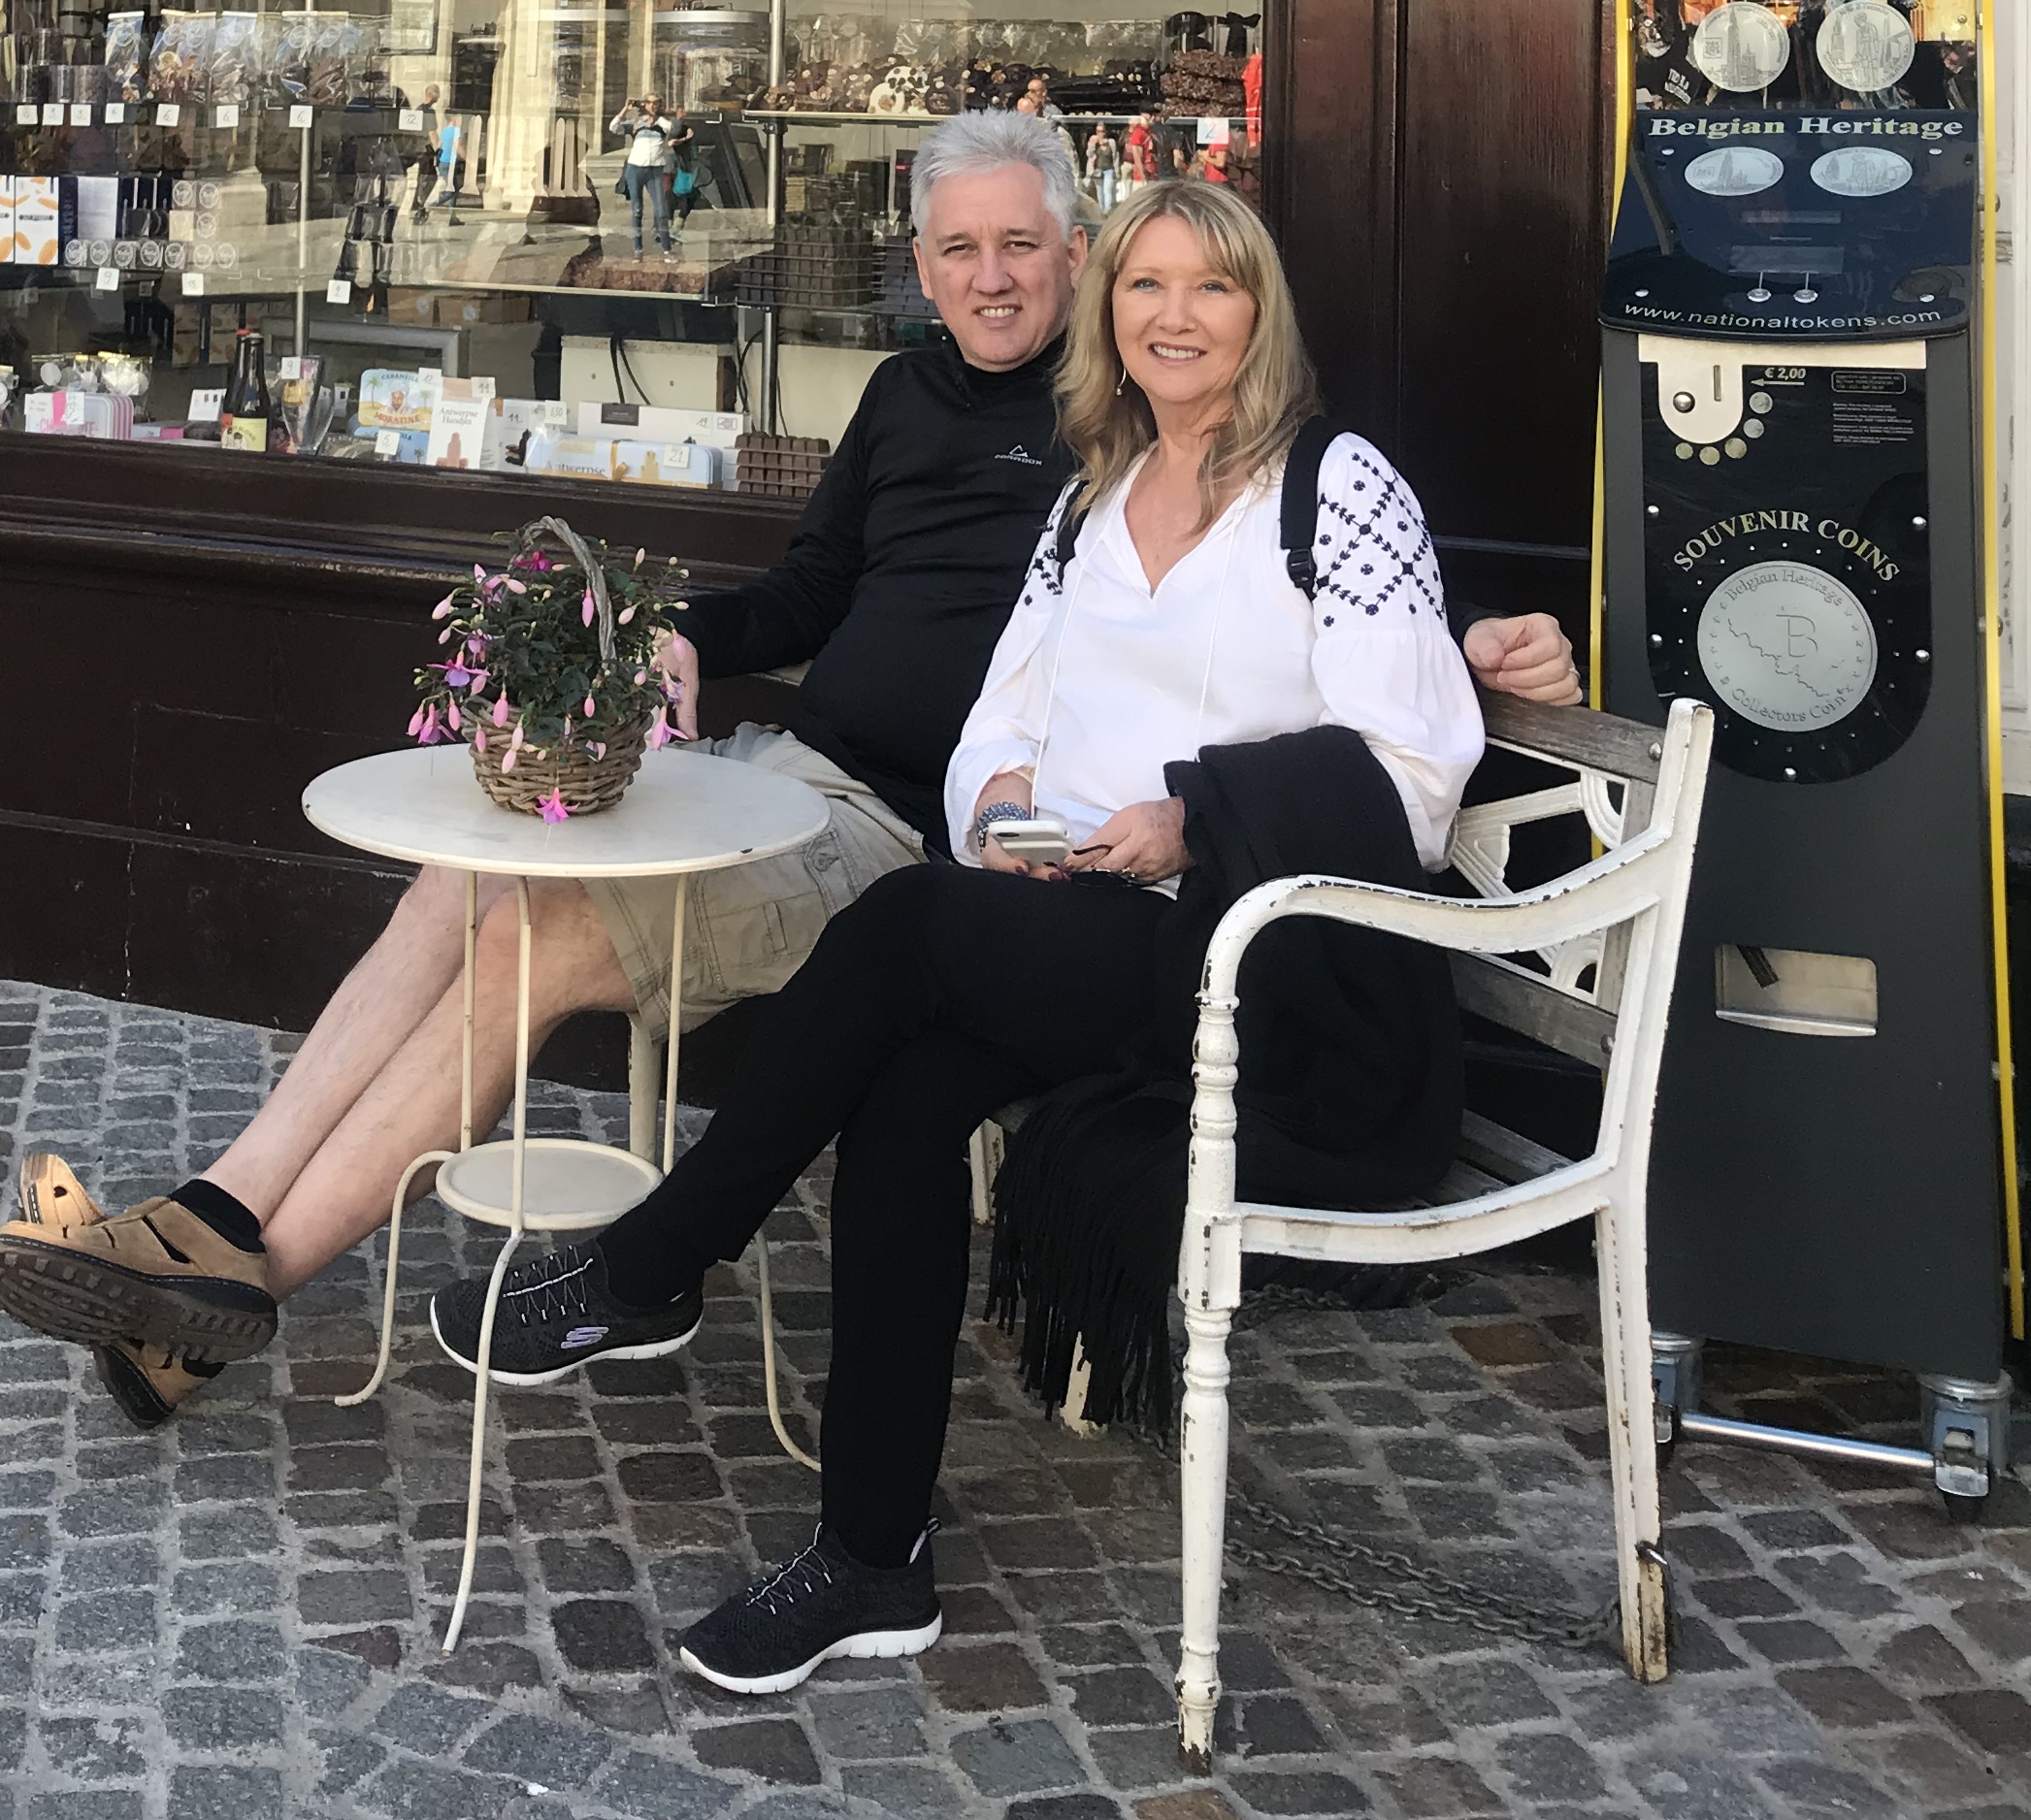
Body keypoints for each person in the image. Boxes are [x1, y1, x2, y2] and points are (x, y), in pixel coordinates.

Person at [0, 116, 1577, 1426]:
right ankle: (214, 1213)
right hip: (783, 769)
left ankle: (229, 1293)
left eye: (1023, 246)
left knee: (545, 935)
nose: (993, 277)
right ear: (920, 265)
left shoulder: (1129, 420)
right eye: (958, 248)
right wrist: (676, 632)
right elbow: (812, 589)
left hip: (914, 848)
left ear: (1075, 255)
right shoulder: (905, 396)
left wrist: (1462, 640)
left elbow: (1279, 598)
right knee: (474, 869)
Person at [427, 178, 1496, 1701]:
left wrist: (1193, 816)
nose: (1174, 316)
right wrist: (996, 800)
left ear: (1260, 314)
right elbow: (1007, 714)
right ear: (1109, 312)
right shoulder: (1093, 498)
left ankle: (658, 1260)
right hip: (1088, 922)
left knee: (911, 923)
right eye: (1145, 286)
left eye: (1211, 287)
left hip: (1264, 961)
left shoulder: (1334, 487)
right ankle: (873, 1557)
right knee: (910, 1093)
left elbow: (1413, 772)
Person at [611, 97, 676, 252]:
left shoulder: (662, 123)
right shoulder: (636, 122)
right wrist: (625, 109)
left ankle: (667, 249)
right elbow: (614, 128)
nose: (652, 105)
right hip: (635, 168)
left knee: (661, 211)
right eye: (649, 102)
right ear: (645, 104)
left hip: (655, 170)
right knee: (637, 210)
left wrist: (658, 116)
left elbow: (672, 129)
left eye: (656, 103)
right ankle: (637, 248)